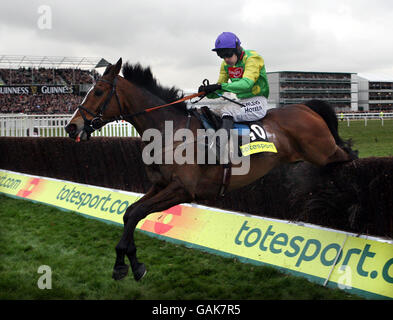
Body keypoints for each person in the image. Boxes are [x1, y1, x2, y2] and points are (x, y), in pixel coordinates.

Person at [198, 32, 270, 158]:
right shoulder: (226, 65)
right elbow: (220, 89)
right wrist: (207, 92)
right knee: (213, 112)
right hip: (241, 101)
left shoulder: (252, 58)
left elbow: (246, 84)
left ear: (237, 49)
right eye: (221, 56)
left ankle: (219, 150)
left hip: (258, 101)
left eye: (228, 54)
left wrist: (220, 86)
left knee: (228, 111)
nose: (226, 59)